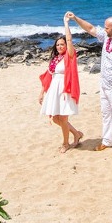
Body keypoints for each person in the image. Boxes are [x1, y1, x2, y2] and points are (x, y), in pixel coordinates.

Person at [66, 11, 112, 155]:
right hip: (105, 85)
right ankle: (107, 141)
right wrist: (75, 18)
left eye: (106, 27)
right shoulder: (107, 37)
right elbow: (90, 28)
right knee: (106, 115)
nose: (104, 29)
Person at [39, 15, 83, 153]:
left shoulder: (69, 56)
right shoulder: (55, 59)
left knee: (63, 118)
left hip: (65, 89)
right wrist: (41, 93)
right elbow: (48, 76)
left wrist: (66, 23)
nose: (59, 46)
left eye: (62, 44)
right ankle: (76, 134)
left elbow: (69, 39)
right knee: (56, 119)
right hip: (54, 89)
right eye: (57, 45)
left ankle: (65, 143)